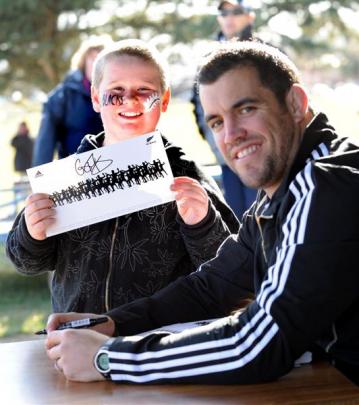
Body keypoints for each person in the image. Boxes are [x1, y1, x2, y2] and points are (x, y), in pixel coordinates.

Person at [44, 41, 359, 386]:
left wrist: (108, 358)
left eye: (246, 109)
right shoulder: (283, 188)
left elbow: (257, 344)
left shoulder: (324, 183)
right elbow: (211, 287)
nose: (231, 135)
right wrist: (112, 323)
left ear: (296, 103)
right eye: (217, 121)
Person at [6, 39, 238, 315]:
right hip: (78, 338)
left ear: (163, 101)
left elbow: (231, 270)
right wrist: (32, 232)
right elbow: (27, 262)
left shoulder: (186, 175)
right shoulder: (66, 178)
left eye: (144, 90)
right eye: (116, 91)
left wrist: (203, 223)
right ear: (95, 98)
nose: (130, 100)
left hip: (157, 340)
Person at [190, 0, 257, 219]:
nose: (229, 17)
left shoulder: (265, 54)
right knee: (238, 223)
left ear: (249, 16)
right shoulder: (206, 59)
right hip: (227, 158)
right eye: (223, 12)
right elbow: (200, 108)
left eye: (235, 12)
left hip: (260, 158)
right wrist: (219, 147)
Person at [32, 36, 110, 166]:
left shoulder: (121, 93)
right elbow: (45, 141)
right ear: (83, 62)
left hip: (116, 168)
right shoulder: (62, 96)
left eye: (101, 58)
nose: (97, 63)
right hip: (76, 171)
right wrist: (40, 179)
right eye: (92, 58)